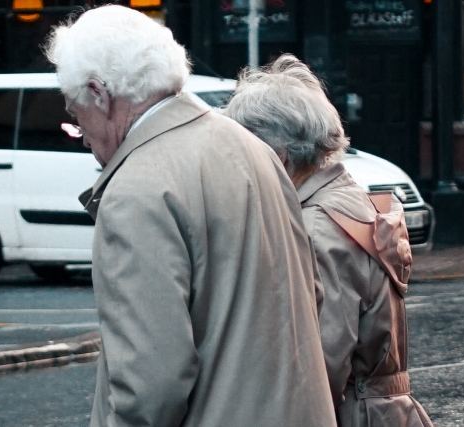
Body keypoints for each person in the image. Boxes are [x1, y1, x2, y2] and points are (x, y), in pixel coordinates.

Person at [46, 7, 335, 426]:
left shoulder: (136, 189)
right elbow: (310, 295)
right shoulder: (251, 148)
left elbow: (150, 387)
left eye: (76, 114)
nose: (82, 133)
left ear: (99, 94)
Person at [224, 54, 433, 427]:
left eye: (245, 153)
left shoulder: (316, 227)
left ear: (279, 156)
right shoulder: (348, 199)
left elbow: (318, 368)